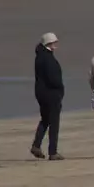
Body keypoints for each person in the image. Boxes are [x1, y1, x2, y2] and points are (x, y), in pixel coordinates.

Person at [31, 31, 65, 160]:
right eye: (54, 42)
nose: (56, 44)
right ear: (49, 43)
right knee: (54, 122)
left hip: (41, 93)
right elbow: (53, 78)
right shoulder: (47, 58)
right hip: (51, 94)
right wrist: (60, 88)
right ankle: (53, 151)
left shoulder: (40, 56)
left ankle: (36, 145)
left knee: (45, 119)